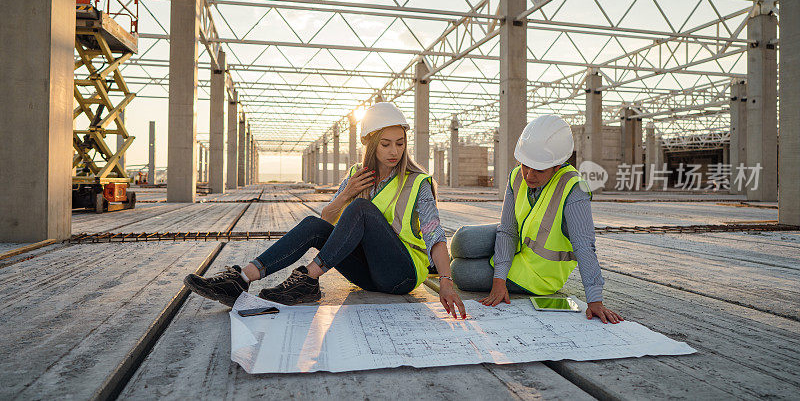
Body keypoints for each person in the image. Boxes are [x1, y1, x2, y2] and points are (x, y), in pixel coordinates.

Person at [184, 103, 467, 319]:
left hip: (401, 274)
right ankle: (241, 279)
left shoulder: (417, 180)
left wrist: (445, 281)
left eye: (400, 143)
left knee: (361, 208)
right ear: (370, 143)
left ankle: (308, 278)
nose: (394, 151)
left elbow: (435, 235)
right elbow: (327, 221)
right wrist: (346, 193)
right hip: (367, 274)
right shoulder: (357, 175)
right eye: (385, 144)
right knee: (314, 224)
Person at [450, 114, 623, 324]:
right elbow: (508, 230)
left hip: (538, 274)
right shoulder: (516, 176)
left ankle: (454, 265)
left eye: (539, 169)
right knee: (462, 240)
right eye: (525, 165)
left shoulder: (574, 189)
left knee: (459, 272)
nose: (529, 175)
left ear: (558, 166)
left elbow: (584, 245)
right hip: (519, 241)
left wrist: (595, 300)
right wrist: (499, 279)